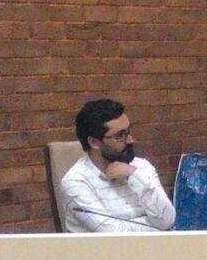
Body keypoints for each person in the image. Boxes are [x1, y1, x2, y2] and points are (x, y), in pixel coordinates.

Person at [60, 99, 176, 233]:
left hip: (153, 246)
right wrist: (156, 227)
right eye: (120, 135)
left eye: (129, 132)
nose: (131, 140)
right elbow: (112, 234)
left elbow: (168, 220)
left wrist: (133, 176)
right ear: (94, 142)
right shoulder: (75, 182)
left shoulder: (140, 166)